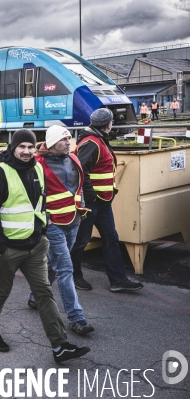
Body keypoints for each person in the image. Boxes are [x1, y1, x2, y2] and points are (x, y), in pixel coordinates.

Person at [0, 129, 90, 362]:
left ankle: (60, 345)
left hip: (35, 245)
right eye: (22, 147)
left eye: (30, 147)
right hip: (9, 247)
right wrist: (0, 246)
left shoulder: (37, 168)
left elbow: (41, 202)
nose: (27, 151)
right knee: (0, 293)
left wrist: (42, 234)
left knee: (44, 293)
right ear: (13, 148)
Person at [27, 126, 95, 335]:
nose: (69, 142)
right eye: (63, 140)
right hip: (53, 224)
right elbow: (32, 195)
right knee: (65, 269)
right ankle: (76, 318)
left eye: (69, 139)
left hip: (74, 220)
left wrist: (81, 211)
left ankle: (34, 297)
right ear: (52, 143)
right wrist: (43, 222)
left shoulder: (73, 159)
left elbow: (79, 187)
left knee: (54, 264)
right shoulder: (38, 164)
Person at [70, 108, 144, 292]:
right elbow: (80, 169)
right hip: (92, 202)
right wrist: (90, 195)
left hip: (102, 201)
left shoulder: (98, 140)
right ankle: (73, 276)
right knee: (81, 240)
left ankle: (118, 280)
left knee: (111, 238)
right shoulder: (92, 143)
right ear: (109, 124)